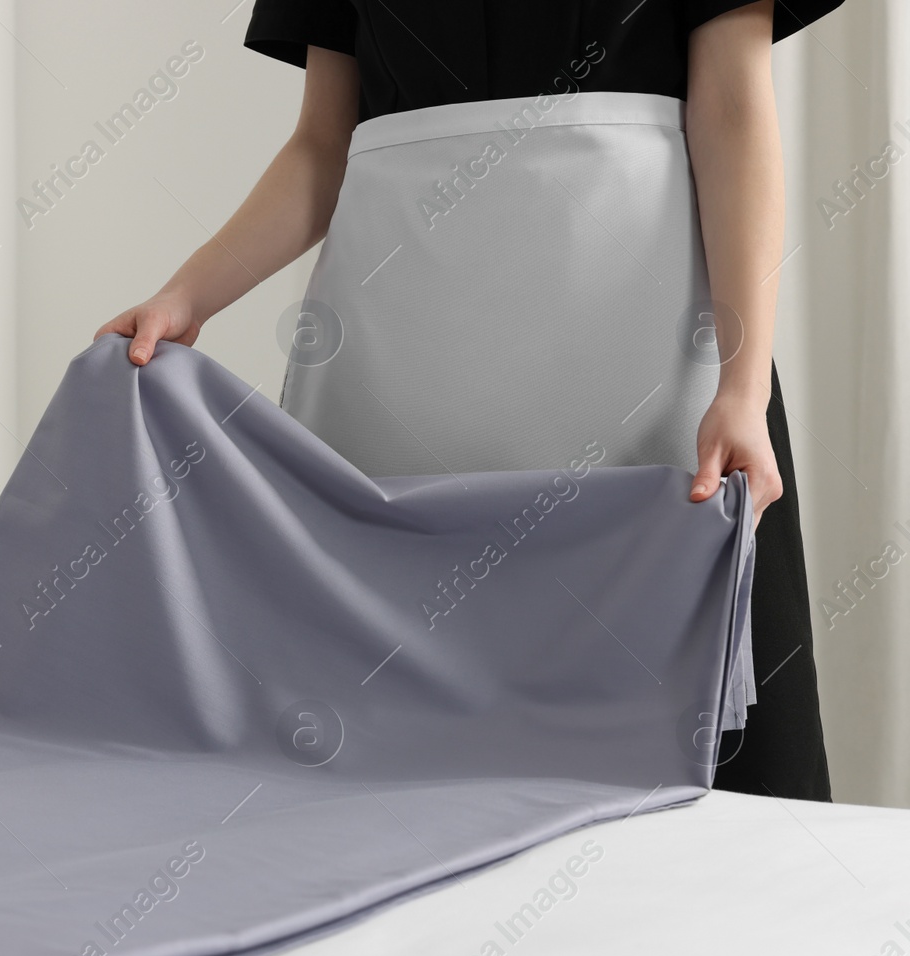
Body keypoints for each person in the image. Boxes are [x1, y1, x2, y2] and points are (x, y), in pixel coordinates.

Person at [97, 0, 844, 800]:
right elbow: (325, 147)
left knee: (697, 801)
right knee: (394, 780)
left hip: (659, 391)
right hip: (393, 392)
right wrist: (189, 297)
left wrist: (743, 382)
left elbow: (732, 108)